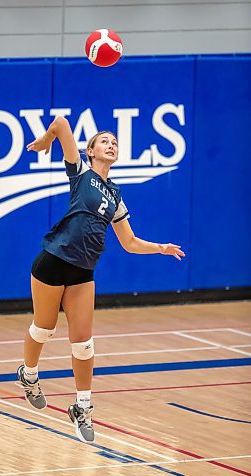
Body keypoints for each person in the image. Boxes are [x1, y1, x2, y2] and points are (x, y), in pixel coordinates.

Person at [16, 116, 185, 443]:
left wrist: (160, 248)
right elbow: (62, 123)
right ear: (91, 151)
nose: (111, 145)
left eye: (115, 143)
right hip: (53, 260)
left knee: (83, 344)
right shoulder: (81, 172)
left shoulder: (116, 196)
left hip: (83, 271)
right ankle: (30, 375)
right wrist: (46, 140)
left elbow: (130, 243)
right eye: (104, 141)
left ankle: (82, 407)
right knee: (45, 328)